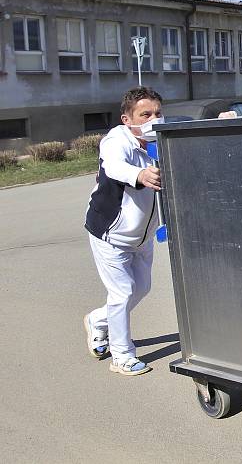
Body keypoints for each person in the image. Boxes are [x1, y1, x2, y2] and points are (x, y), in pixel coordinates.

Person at [83, 86, 164, 376]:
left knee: (141, 288)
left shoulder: (160, 140)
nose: (153, 119)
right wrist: (139, 174)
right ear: (127, 119)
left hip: (142, 236)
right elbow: (115, 166)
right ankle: (122, 356)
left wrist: (221, 118)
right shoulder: (116, 141)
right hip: (110, 234)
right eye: (145, 115)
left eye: (157, 113)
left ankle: (98, 320)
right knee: (122, 292)